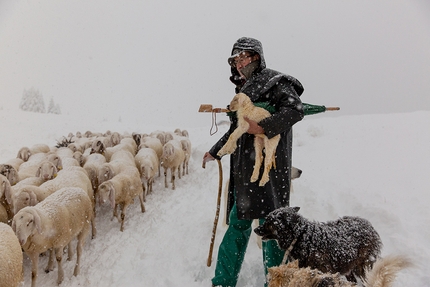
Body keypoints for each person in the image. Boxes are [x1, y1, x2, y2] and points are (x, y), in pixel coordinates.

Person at [202, 37, 304, 287]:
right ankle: (223, 283)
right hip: (245, 172)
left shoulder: (277, 82)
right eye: (236, 60)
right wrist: (216, 151)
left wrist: (264, 126)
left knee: (273, 231)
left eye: (244, 57)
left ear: (257, 58)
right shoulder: (242, 92)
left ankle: (276, 282)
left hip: (270, 170)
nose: (239, 64)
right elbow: (238, 128)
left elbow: (294, 110)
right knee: (238, 226)